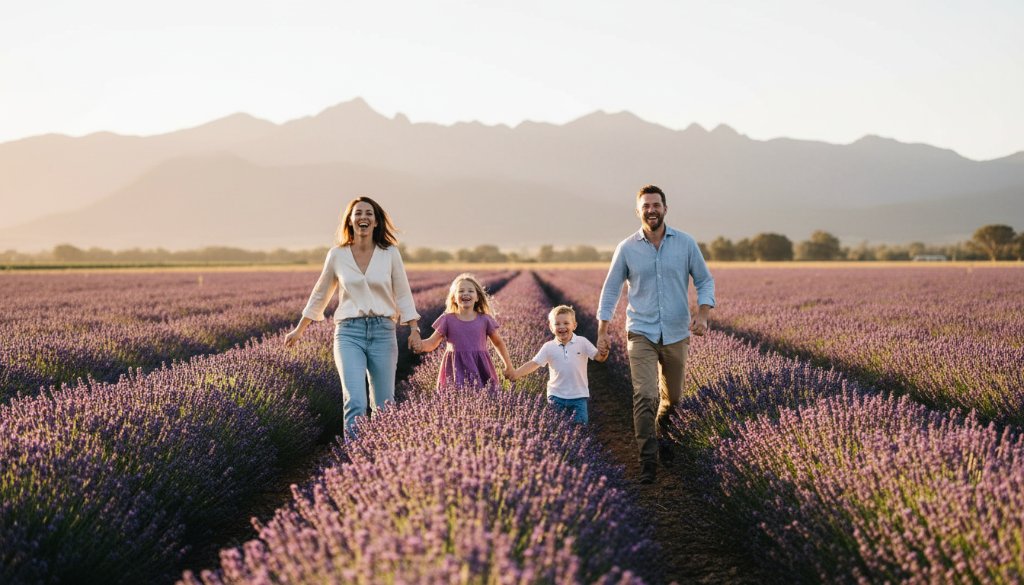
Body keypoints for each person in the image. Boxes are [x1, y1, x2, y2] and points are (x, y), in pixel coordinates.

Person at [597, 184, 715, 484]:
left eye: (656, 205)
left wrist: (702, 315)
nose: (651, 210)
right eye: (646, 206)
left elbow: (704, 281)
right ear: (638, 211)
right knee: (645, 395)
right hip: (641, 332)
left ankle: (664, 428)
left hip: (676, 332)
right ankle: (648, 460)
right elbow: (611, 290)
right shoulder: (627, 248)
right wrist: (602, 331)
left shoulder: (686, 243)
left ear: (665, 208)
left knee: (672, 399)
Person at [284, 196, 421, 438]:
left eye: (369, 213)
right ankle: (355, 461)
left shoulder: (389, 254)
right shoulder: (337, 255)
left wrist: (413, 329)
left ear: (376, 222)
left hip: (382, 332)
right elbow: (320, 293)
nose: (363, 218)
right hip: (349, 333)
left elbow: (403, 292)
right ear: (350, 220)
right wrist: (299, 329)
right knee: (355, 401)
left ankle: (384, 459)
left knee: (384, 406)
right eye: (358, 213)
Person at [509, 305, 608, 423]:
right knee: (556, 429)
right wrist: (516, 374)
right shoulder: (548, 347)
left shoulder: (582, 342)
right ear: (551, 327)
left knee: (580, 429)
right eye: (557, 324)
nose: (562, 327)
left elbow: (599, 357)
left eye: (566, 323)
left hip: (578, 397)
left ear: (574, 325)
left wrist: (604, 352)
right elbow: (534, 363)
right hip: (556, 397)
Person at [416, 273, 514, 389]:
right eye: (461, 291)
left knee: (483, 397)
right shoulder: (447, 319)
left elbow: (498, 342)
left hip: (479, 365)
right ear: (454, 298)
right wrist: (419, 345)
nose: (466, 293)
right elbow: (432, 343)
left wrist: (508, 365)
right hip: (455, 367)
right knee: (455, 397)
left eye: (470, 291)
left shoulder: (485, 319)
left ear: (477, 297)